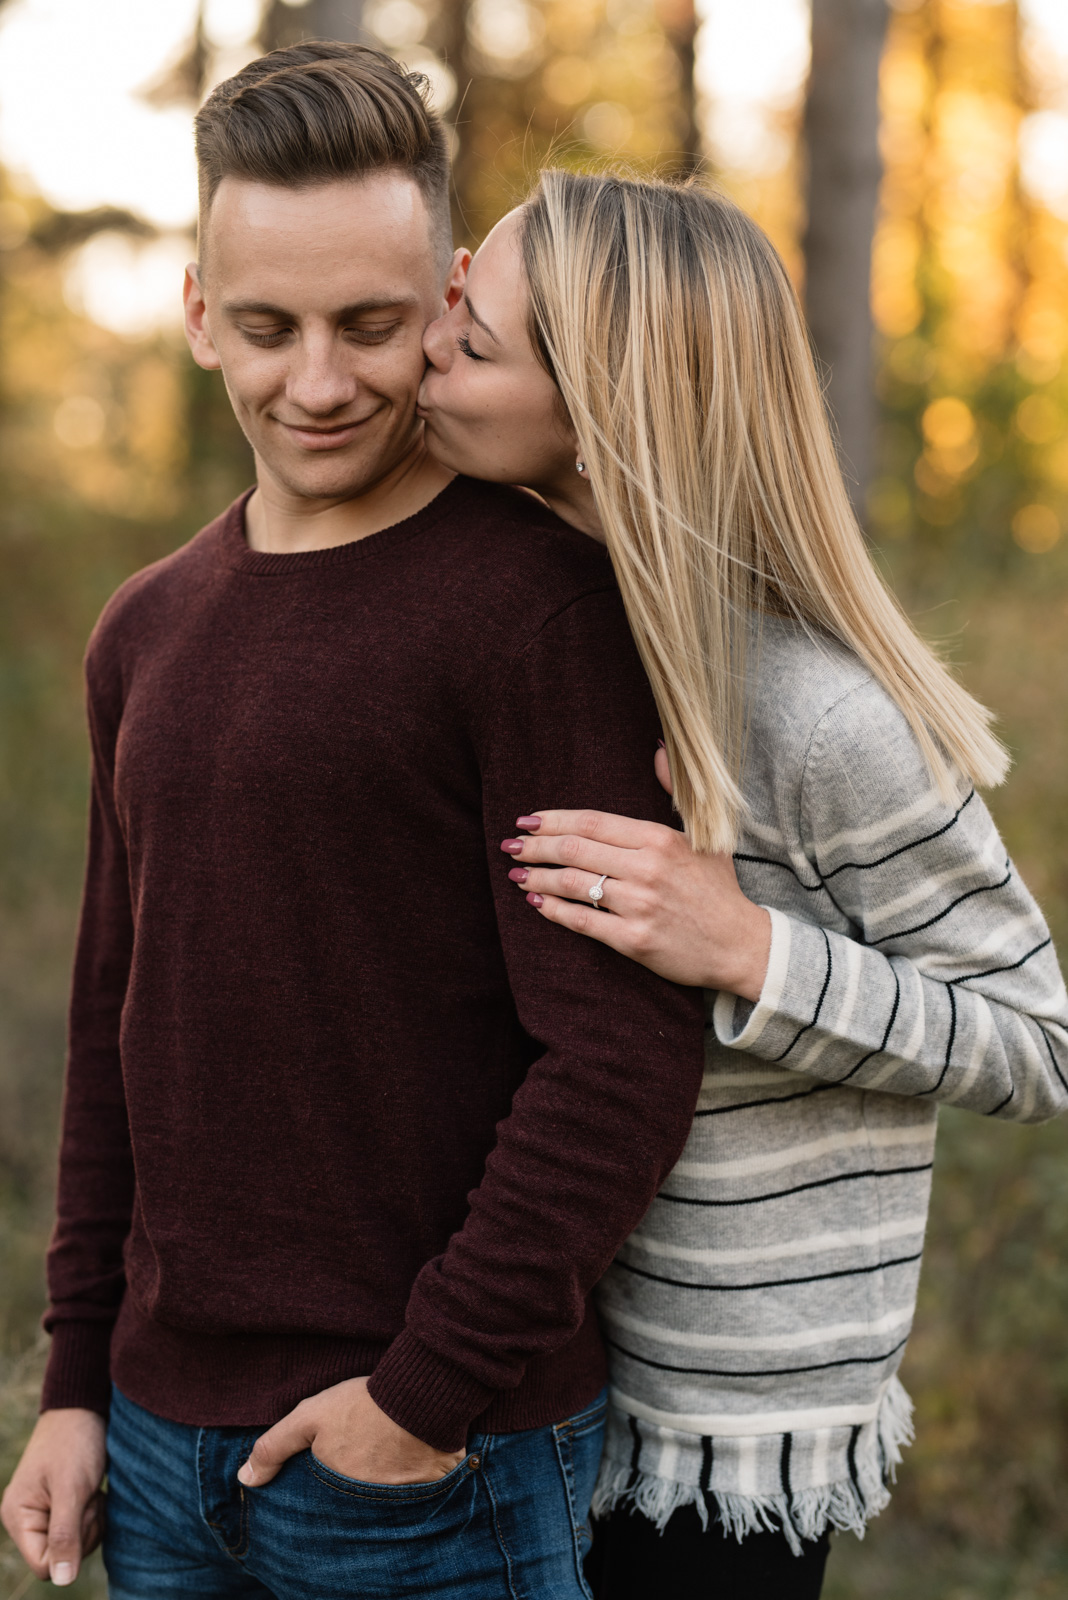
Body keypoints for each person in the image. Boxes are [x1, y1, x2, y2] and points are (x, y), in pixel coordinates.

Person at [0, 56, 708, 1600]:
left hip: (436, 1464)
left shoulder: (538, 612)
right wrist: (70, 1386)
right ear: (199, 311)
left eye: (370, 326)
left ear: (449, 296)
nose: (316, 383)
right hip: (159, 1445)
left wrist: (420, 1397)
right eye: (267, 328)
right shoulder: (145, 632)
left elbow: (620, 1054)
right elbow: (114, 1034)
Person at [416, 169, 1068, 1599]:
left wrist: (754, 952)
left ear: (602, 417)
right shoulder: (524, 632)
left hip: (719, 1444)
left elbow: (1039, 1041)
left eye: (470, 338)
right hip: (524, 1368)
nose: (424, 339)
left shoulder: (817, 717)